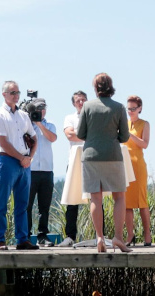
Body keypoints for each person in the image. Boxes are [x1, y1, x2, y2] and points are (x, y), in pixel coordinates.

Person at [76, 73, 132, 253]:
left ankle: (99, 237)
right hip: (113, 155)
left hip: (91, 155)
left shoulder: (87, 106)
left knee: (95, 198)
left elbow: (80, 133)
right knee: (119, 197)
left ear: (95, 88)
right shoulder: (119, 107)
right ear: (111, 86)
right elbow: (124, 136)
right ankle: (118, 237)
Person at [0, 80, 39, 251]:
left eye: (18, 92)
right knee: (2, 202)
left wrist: (29, 158)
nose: (16, 96)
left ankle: (22, 239)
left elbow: (34, 138)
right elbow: (3, 142)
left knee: (22, 203)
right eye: (12, 93)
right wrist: (22, 158)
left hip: (24, 163)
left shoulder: (23, 115)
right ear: (4, 94)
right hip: (8, 161)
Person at [26, 98, 58, 247]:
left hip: (46, 170)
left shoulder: (49, 125)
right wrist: (33, 123)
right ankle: (25, 234)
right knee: (27, 204)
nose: (42, 111)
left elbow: (52, 138)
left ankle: (42, 235)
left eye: (44, 108)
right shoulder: (26, 124)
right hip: (30, 170)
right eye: (38, 109)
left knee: (44, 206)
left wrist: (40, 124)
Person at [123, 95, 152, 247]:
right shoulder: (124, 124)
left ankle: (147, 234)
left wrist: (130, 135)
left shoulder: (144, 124)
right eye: (128, 109)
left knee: (142, 201)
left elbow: (144, 144)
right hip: (125, 165)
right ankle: (130, 234)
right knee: (127, 203)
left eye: (133, 109)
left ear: (140, 108)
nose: (131, 111)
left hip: (138, 164)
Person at [60, 90, 88, 247]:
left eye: (84, 99)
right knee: (72, 200)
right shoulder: (69, 118)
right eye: (78, 100)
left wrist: (79, 133)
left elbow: (95, 134)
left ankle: (100, 235)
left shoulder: (92, 116)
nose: (81, 102)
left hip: (91, 161)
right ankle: (70, 236)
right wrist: (87, 134)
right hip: (74, 162)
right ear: (73, 103)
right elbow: (69, 135)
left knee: (96, 199)